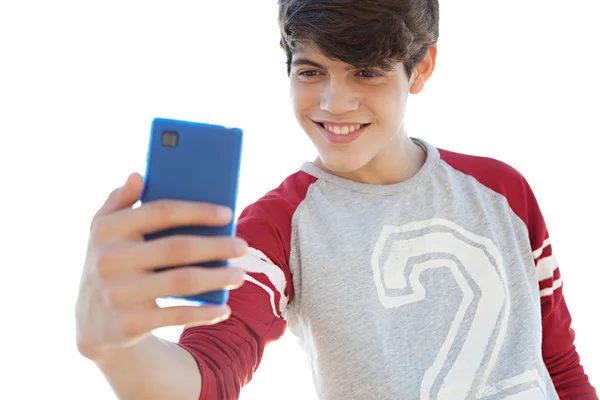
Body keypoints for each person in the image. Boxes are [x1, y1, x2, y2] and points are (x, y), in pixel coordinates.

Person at [75, 1, 598, 399]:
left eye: (366, 72)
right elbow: (211, 373)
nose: (333, 103)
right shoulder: (276, 227)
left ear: (421, 69)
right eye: (310, 71)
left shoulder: (502, 190)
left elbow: (556, 361)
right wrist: (116, 350)